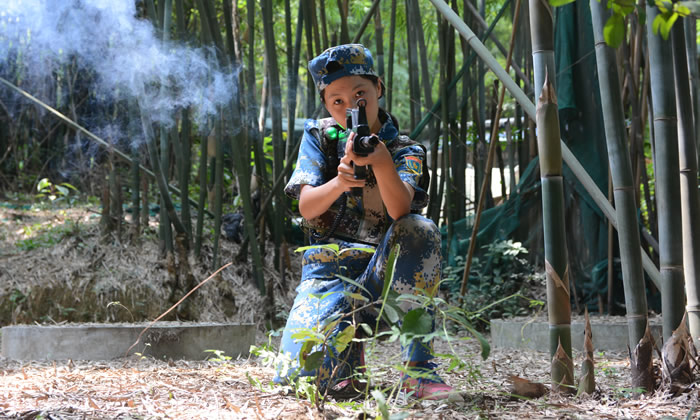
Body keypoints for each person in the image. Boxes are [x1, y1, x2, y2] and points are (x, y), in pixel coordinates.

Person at [274, 44, 459, 401]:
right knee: (296, 378)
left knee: (420, 229)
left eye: (360, 95)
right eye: (336, 100)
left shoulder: (406, 150)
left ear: (379, 89)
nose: (349, 107)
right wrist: (340, 182)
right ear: (326, 104)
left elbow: (401, 212)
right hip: (328, 276)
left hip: (384, 275)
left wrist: (383, 162)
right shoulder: (319, 138)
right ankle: (348, 359)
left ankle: (418, 370)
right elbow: (306, 207)